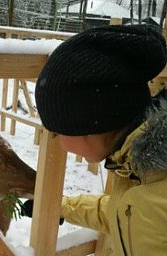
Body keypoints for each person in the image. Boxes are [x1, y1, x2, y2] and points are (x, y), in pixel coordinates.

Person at [34, 25, 167, 255]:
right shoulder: (136, 167)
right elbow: (125, 213)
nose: (58, 142)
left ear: (91, 124)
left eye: (57, 133)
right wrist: (63, 208)